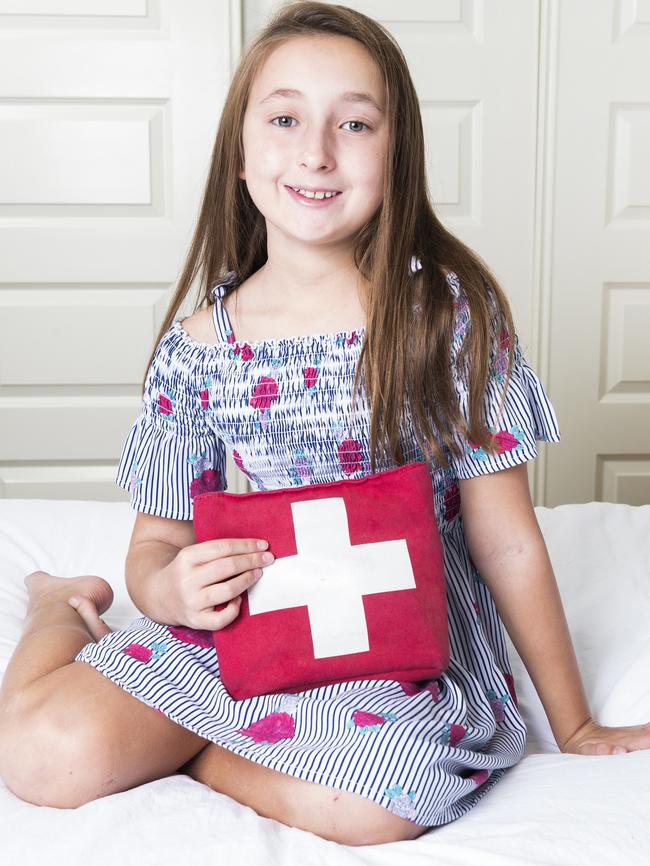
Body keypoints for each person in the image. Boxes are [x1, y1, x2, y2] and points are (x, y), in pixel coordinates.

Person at [1, 0, 649, 847]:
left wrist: (572, 725)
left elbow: (508, 539)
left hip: (397, 636)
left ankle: (192, 750)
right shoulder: (199, 347)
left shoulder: (445, 315)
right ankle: (58, 605)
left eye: (354, 123)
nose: (315, 151)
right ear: (240, 152)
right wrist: (163, 592)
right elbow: (155, 547)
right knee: (43, 758)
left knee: (373, 809)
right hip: (250, 624)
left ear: (397, 156)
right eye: (283, 119)